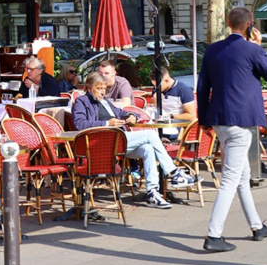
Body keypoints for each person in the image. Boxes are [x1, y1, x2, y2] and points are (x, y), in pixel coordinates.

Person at [198, 6, 267, 252]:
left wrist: (203, 121)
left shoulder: (212, 50)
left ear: (229, 23)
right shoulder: (252, 49)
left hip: (219, 119)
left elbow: (202, 87)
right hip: (241, 121)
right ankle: (213, 235)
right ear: (249, 25)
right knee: (231, 179)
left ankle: (256, 226)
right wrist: (259, 45)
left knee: (242, 176)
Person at [73, 72, 199, 209]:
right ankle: (174, 173)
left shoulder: (105, 102)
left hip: (118, 142)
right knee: (150, 135)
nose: (103, 92)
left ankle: (152, 192)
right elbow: (80, 124)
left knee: (148, 149)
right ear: (89, 88)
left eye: (104, 88)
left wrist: (132, 116)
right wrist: (107, 123)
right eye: (99, 88)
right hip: (102, 143)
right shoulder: (81, 102)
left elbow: (122, 112)